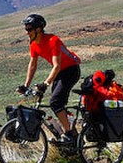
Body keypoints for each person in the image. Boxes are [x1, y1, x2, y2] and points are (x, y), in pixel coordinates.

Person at [19, 14, 81, 143]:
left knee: (55, 102)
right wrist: (26, 85)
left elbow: (57, 66)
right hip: (59, 72)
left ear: (38, 29)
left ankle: (69, 133)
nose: (27, 33)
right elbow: (32, 65)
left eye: (29, 29)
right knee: (56, 103)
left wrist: (46, 83)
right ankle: (71, 132)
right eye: (26, 30)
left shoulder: (53, 40)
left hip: (71, 70)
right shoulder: (34, 44)